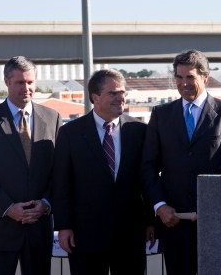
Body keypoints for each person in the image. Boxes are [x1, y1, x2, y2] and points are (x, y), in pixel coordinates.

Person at [141, 49, 221, 275]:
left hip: (217, 222)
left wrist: (215, 207)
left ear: (205, 78)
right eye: (179, 77)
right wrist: (159, 206)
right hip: (172, 221)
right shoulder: (161, 114)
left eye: (190, 77)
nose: (183, 83)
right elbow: (148, 167)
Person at [52, 69, 155, 275]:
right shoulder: (70, 133)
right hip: (85, 236)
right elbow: (61, 183)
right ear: (95, 97)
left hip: (130, 236)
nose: (121, 98)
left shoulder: (139, 130)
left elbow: (146, 180)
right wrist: (63, 227)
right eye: (113, 93)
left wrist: (151, 222)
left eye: (123, 92)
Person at [0, 56, 62, 275]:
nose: (27, 88)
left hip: (39, 228)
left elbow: (58, 171)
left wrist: (46, 204)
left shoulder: (52, 118)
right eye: (20, 82)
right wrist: (9, 209)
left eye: (30, 82)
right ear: (7, 82)